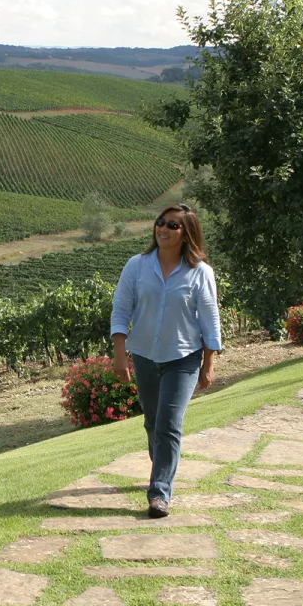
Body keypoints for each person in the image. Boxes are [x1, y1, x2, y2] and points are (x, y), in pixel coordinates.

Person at [110, 203, 222, 518]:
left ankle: (159, 493)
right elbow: (121, 309)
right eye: (161, 222)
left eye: (172, 225)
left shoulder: (201, 272)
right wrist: (120, 353)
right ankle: (161, 462)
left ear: (187, 233)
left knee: (169, 424)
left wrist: (208, 362)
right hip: (145, 354)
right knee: (152, 421)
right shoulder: (137, 265)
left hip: (184, 357)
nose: (163, 229)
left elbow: (209, 320)